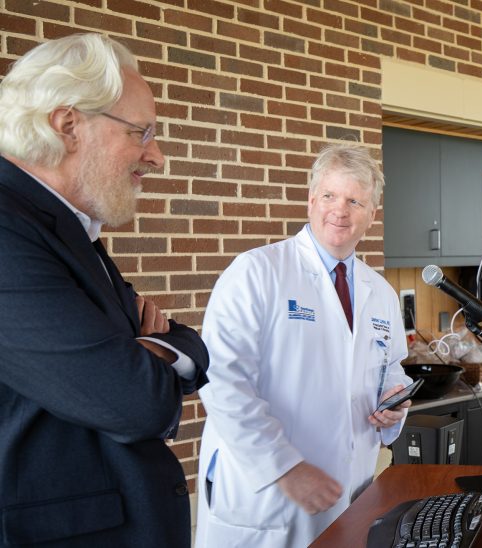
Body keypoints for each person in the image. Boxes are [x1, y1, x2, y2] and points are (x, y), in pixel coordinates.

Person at [0, 34, 209, 547]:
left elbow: (187, 343)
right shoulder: (8, 226)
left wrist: (151, 348)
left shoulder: (66, 228)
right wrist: (141, 354)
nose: (156, 157)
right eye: (142, 133)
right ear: (68, 125)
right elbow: (134, 402)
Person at [195, 143, 412, 547]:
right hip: (265, 497)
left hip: (348, 491)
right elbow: (221, 379)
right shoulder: (257, 272)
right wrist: (284, 467)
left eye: (355, 201)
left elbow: (391, 367)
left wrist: (393, 402)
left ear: (372, 213)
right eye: (329, 196)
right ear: (311, 200)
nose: (340, 211)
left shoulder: (379, 292)